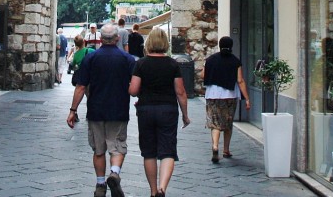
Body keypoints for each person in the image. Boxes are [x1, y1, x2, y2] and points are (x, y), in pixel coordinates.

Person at [67, 22, 136, 197]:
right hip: (118, 109)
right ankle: (114, 173)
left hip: (96, 110)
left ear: (100, 39)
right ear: (117, 38)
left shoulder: (91, 58)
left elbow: (81, 86)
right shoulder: (127, 59)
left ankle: (100, 184)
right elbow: (135, 86)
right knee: (118, 147)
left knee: (98, 150)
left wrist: (73, 110)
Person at [129, 27, 190, 197]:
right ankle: (162, 188)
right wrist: (185, 115)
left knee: (149, 152)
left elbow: (133, 90)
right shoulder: (173, 64)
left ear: (148, 43)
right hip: (168, 110)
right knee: (168, 151)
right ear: (165, 43)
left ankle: (153, 190)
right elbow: (180, 92)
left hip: (146, 109)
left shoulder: (140, 64)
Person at [201, 36, 250, 163]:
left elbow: (202, 75)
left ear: (219, 45)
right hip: (230, 95)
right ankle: (226, 150)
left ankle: (215, 146)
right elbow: (240, 80)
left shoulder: (210, 59)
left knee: (215, 123)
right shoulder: (235, 61)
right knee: (228, 123)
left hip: (212, 94)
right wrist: (247, 99)